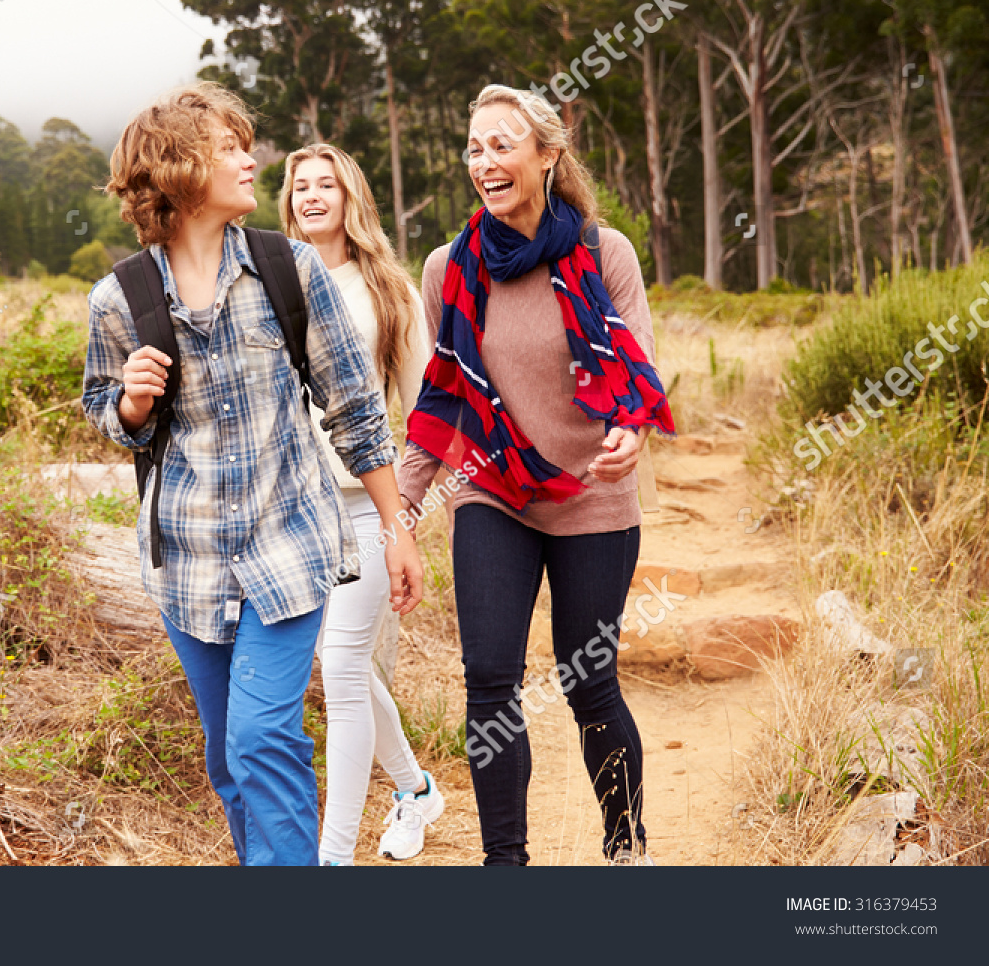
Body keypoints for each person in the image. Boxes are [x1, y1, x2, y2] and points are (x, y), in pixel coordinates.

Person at [82, 83, 425, 866]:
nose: (252, 160)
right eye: (230, 148)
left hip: (291, 543)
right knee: (228, 760)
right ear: (178, 172)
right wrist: (131, 405)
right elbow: (105, 410)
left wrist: (397, 530)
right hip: (189, 563)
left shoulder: (289, 270)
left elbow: (356, 412)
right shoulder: (118, 299)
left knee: (262, 733)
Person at [397, 84, 675, 867]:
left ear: (547, 155)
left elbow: (638, 369)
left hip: (593, 496)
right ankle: (505, 865)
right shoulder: (448, 267)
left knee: (588, 682)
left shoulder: (604, 252)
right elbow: (442, 397)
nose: (485, 162)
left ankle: (626, 846)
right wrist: (401, 516)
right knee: (488, 677)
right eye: (474, 148)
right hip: (492, 491)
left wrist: (629, 431)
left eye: (502, 145)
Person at [279, 143, 442, 864]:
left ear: (350, 197)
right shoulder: (268, 278)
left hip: (366, 507)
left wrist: (400, 513)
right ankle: (414, 787)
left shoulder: (389, 290)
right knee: (337, 663)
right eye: (300, 186)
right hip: (289, 512)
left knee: (343, 668)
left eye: (326, 184)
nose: (313, 195)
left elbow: (429, 408)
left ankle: (332, 857)